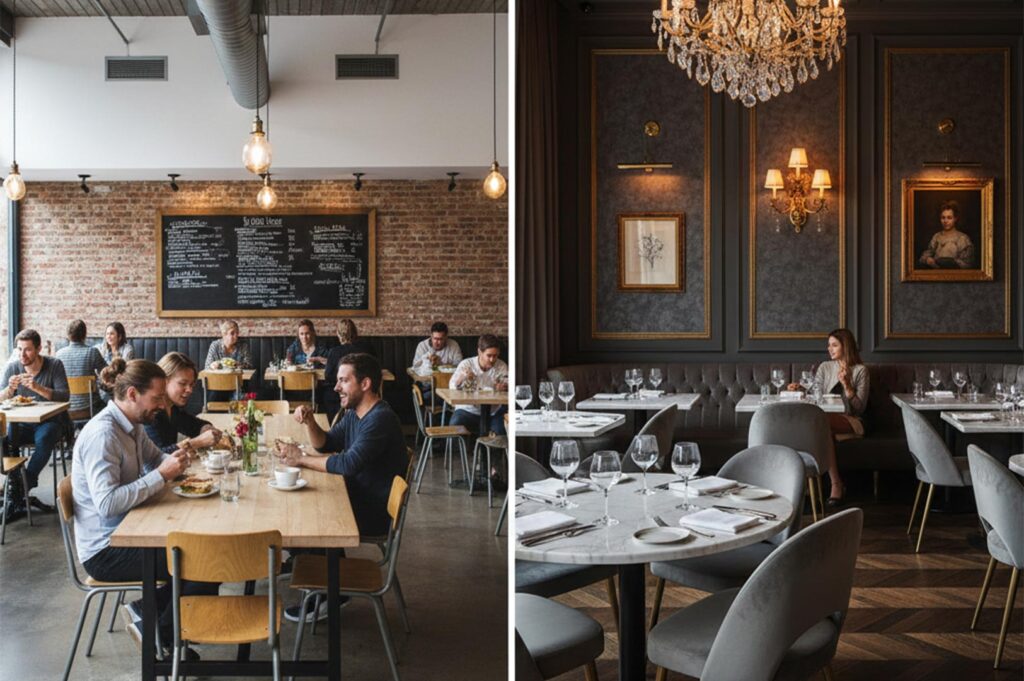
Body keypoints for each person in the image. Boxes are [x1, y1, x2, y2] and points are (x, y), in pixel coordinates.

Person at [72, 359, 218, 655]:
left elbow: (156, 460)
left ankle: (147, 611)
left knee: (204, 548)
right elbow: (107, 504)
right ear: (132, 395)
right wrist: (162, 475)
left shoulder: (134, 424)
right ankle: (160, 632)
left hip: (132, 528)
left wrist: (178, 460)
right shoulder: (104, 434)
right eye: (158, 397)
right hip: (106, 549)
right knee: (206, 560)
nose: (163, 404)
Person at [274, 352, 408, 621]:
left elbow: (347, 464)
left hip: (372, 510)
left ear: (365, 383)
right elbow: (327, 444)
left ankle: (329, 593)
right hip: (356, 496)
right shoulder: (355, 413)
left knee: (304, 515)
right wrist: (311, 422)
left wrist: (300, 458)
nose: (336, 387)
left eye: (343, 381)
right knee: (299, 505)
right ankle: (311, 566)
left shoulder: (380, 418)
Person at [1, 329, 70, 517]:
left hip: (50, 422)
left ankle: (21, 489)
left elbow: (64, 396)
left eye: (28, 350)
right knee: (5, 439)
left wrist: (37, 387)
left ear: (39, 348)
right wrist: (9, 389)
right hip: (21, 424)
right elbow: (1, 398)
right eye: (19, 349)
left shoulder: (54, 365)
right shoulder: (13, 367)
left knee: (45, 437)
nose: (22, 355)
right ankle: (14, 486)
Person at [812, 328, 868, 507]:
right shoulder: (824, 367)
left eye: (834, 345)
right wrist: (799, 390)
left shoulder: (861, 370)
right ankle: (831, 484)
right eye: (829, 345)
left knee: (819, 423)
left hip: (852, 421)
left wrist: (847, 385)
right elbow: (816, 396)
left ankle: (830, 484)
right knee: (818, 425)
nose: (830, 349)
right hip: (825, 419)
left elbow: (860, 408)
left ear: (846, 346)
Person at [144, 352, 222, 454]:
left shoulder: (172, 408)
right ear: (164, 380)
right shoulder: (150, 412)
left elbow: (193, 425)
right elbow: (158, 457)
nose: (189, 390)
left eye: (191, 384)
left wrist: (205, 428)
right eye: (183, 383)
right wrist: (198, 442)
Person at [448, 335, 508, 436]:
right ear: (480, 352)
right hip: (467, 409)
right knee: (455, 425)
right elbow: (452, 386)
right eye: (489, 355)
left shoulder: (501, 366)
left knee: (501, 432)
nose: (492, 359)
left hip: (493, 412)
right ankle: (463, 452)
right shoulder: (467, 364)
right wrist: (462, 377)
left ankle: (489, 451)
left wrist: (504, 387)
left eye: (495, 355)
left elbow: (508, 384)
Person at [322, 319, 374, 418]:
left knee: (327, 393)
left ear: (338, 334)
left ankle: (335, 426)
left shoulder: (335, 351)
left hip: (340, 397)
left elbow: (328, 375)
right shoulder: (368, 349)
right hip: (364, 393)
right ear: (355, 332)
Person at [55, 319, 107, 415]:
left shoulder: (58, 354)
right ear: (84, 334)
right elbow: (107, 374)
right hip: (90, 407)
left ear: (68, 335)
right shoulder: (92, 352)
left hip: (65, 409)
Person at [918, 200, 975, 269]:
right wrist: (927, 260)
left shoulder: (963, 238)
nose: (945, 221)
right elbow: (925, 256)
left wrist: (950, 263)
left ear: (955, 219)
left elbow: (968, 264)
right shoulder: (936, 237)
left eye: (949, 218)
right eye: (943, 217)